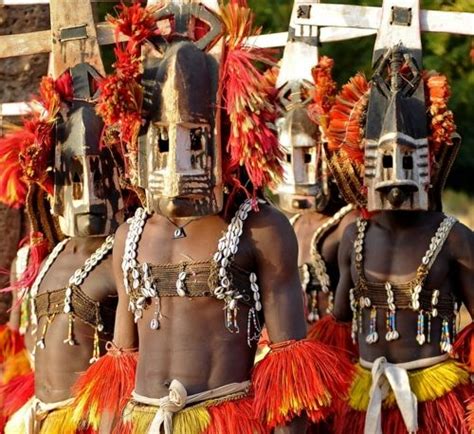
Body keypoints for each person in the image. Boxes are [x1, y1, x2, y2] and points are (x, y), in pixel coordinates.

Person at [72, 2, 352, 434]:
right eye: (163, 142)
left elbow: (288, 370)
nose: (178, 160)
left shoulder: (260, 228)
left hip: (225, 420)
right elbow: (120, 365)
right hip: (144, 420)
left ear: (223, 134)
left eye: (195, 140)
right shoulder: (130, 235)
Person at [324, 2, 474, 433]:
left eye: (407, 159)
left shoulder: (455, 238)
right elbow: (338, 322)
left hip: (436, 406)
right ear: (364, 161)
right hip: (365, 396)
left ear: (428, 160)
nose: (396, 175)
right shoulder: (353, 234)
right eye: (384, 159)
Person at [0, 63, 128, 434]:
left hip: (94, 420)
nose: (89, 192)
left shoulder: (124, 249)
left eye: (101, 172)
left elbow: (133, 355)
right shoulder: (50, 254)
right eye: (73, 176)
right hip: (39, 417)